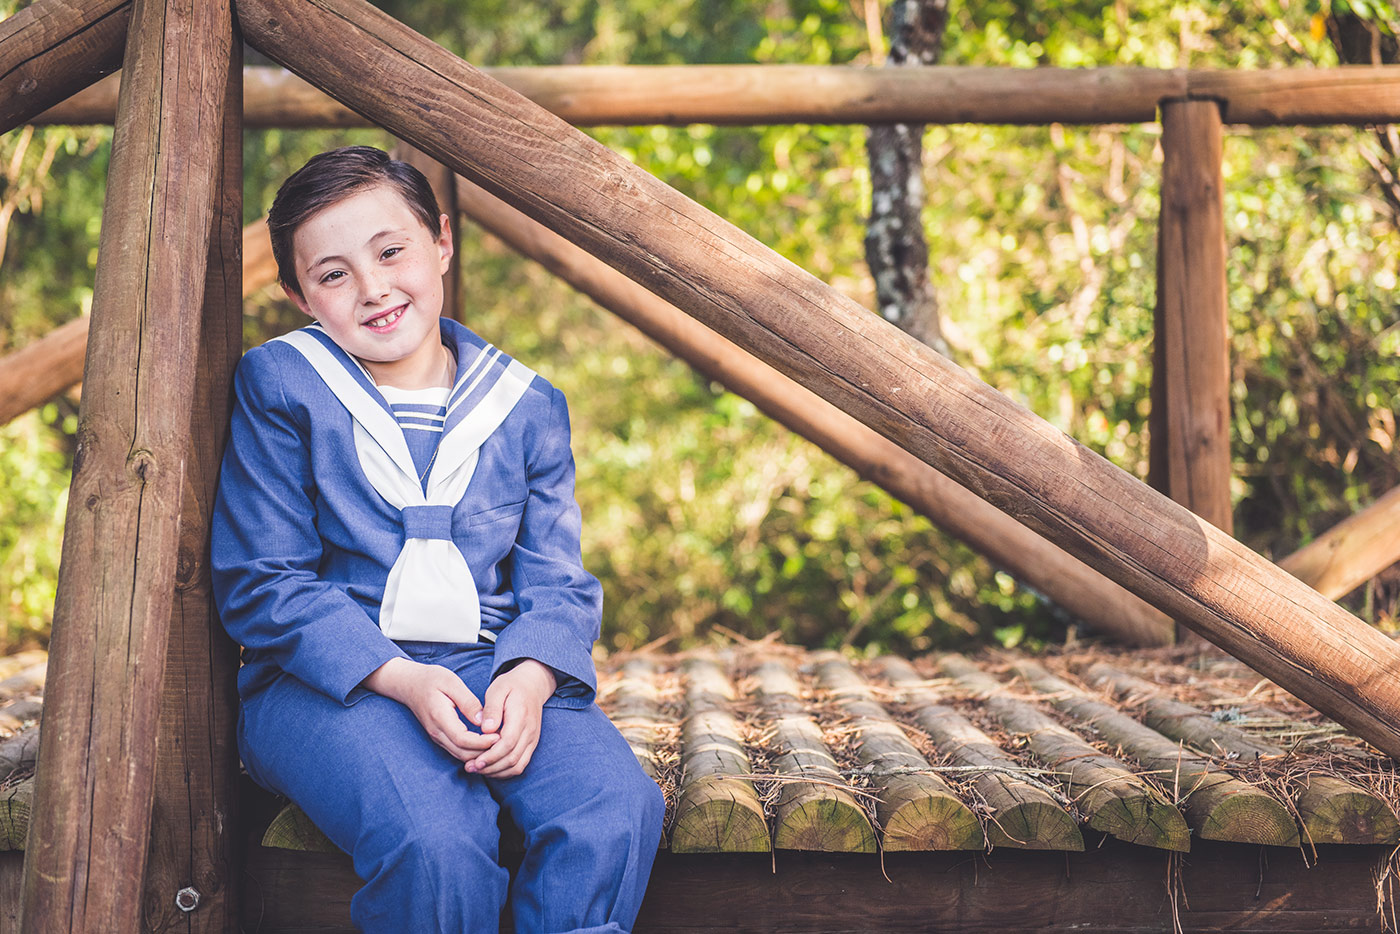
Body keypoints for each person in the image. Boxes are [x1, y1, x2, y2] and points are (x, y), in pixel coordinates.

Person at [211, 146, 664, 933]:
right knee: (437, 837)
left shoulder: (527, 404)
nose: (374, 287)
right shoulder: (283, 385)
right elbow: (264, 579)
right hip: (326, 682)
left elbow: (556, 580)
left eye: (392, 251)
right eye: (334, 273)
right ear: (297, 293)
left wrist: (529, 678)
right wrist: (402, 680)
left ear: (442, 241)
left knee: (615, 808)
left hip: (489, 667)